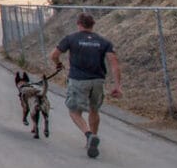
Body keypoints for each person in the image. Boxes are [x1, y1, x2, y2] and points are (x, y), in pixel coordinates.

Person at [48, 13, 123, 158]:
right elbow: (114, 64)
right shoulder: (103, 41)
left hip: (78, 80)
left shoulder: (70, 39)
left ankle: (88, 135)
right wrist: (117, 86)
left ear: (79, 24)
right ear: (93, 25)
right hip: (98, 81)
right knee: (94, 109)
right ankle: (94, 136)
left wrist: (58, 65)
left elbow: (54, 55)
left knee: (74, 111)